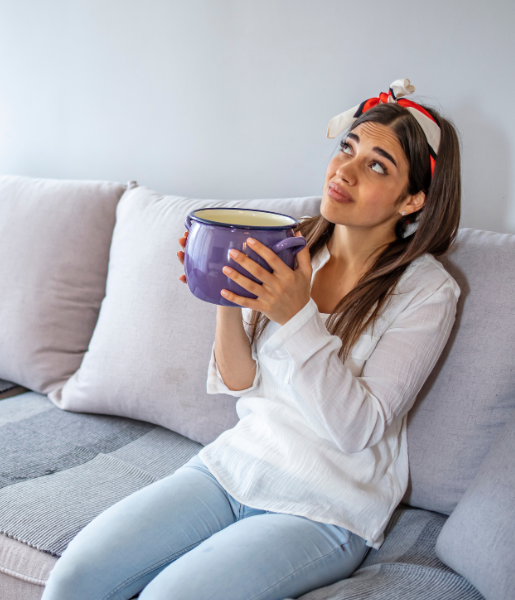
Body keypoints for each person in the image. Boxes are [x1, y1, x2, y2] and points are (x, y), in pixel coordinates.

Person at [42, 79, 462, 600]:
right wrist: (225, 295)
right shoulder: (293, 242)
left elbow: (357, 431)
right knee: (71, 581)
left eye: (377, 165)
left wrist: (298, 314)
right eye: (346, 149)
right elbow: (241, 382)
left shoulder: (426, 290)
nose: (344, 171)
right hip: (234, 465)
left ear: (413, 199)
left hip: (327, 506)